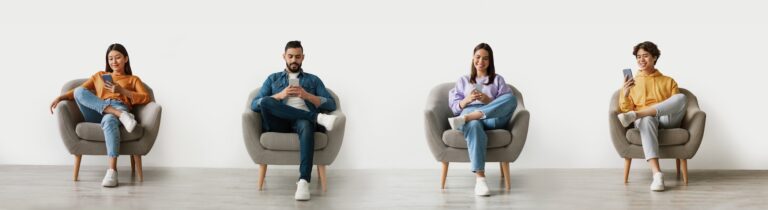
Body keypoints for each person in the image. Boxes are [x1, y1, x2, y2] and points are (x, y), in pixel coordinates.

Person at [49, 43, 151, 187]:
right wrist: (61, 97)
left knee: (109, 120)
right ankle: (119, 115)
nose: (114, 62)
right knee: (79, 91)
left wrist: (122, 91)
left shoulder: (133, 79)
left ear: (126, 59)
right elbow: (78, 92)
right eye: (110, 59)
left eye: (118, 58)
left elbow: (145, 97)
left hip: (118, 106)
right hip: (97, 110)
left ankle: (112, 171)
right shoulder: (100, 76)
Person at [250, 40, 337, 201]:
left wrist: (307, 96)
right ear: (284, 56)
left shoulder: (313, 80)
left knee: (304, 123)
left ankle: (303, 181)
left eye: (297, 57)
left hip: (301, 123)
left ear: (303, 57)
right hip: (277, 123)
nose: (294, 60)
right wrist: (279, 96)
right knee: (265, 101)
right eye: (290, 56)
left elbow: (331, 103)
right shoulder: (273, 79)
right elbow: (255, 104)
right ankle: (317, 117)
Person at [447, 43, 518, 196]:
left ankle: (470, 117)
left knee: (511, 99)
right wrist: (467, 99)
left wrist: (488, 100)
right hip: (469, 116)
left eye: (485, 58)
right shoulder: (463, 80)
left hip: (492, 118)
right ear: (473, 58)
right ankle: (480, 180)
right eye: (478, 57)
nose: (481, 61)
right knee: (473, 125)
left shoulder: (498, 79)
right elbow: (454, 107)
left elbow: (506, 103)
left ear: (490, 61)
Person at [617, 41, 687, 191]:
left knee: (681, 98)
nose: (641, 59)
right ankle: (657, 175)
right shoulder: (632, 83)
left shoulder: (669, 81)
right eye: (638, 56)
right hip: (645, 122)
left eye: (645, 56)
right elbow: (625, 109)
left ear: (654, 58)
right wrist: (625, 93)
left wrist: (636, 114)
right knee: (646, 118)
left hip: (666, 119)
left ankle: (638, 114)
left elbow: (676, 105)